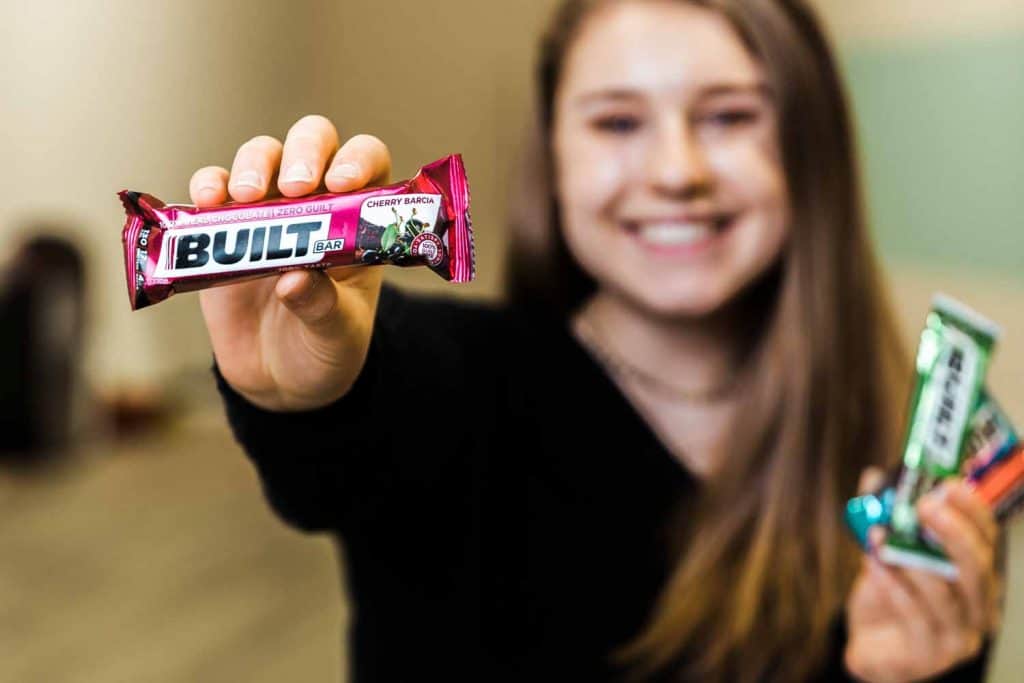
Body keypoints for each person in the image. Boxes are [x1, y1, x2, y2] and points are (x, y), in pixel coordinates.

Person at [191, 1, 1001, 680]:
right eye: (617, 121)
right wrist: (303, 397)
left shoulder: (923, 461)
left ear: (809, 147)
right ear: (556, 159)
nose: (677, 170)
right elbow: (351, 441)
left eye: (730, 115)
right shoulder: (461, 384)